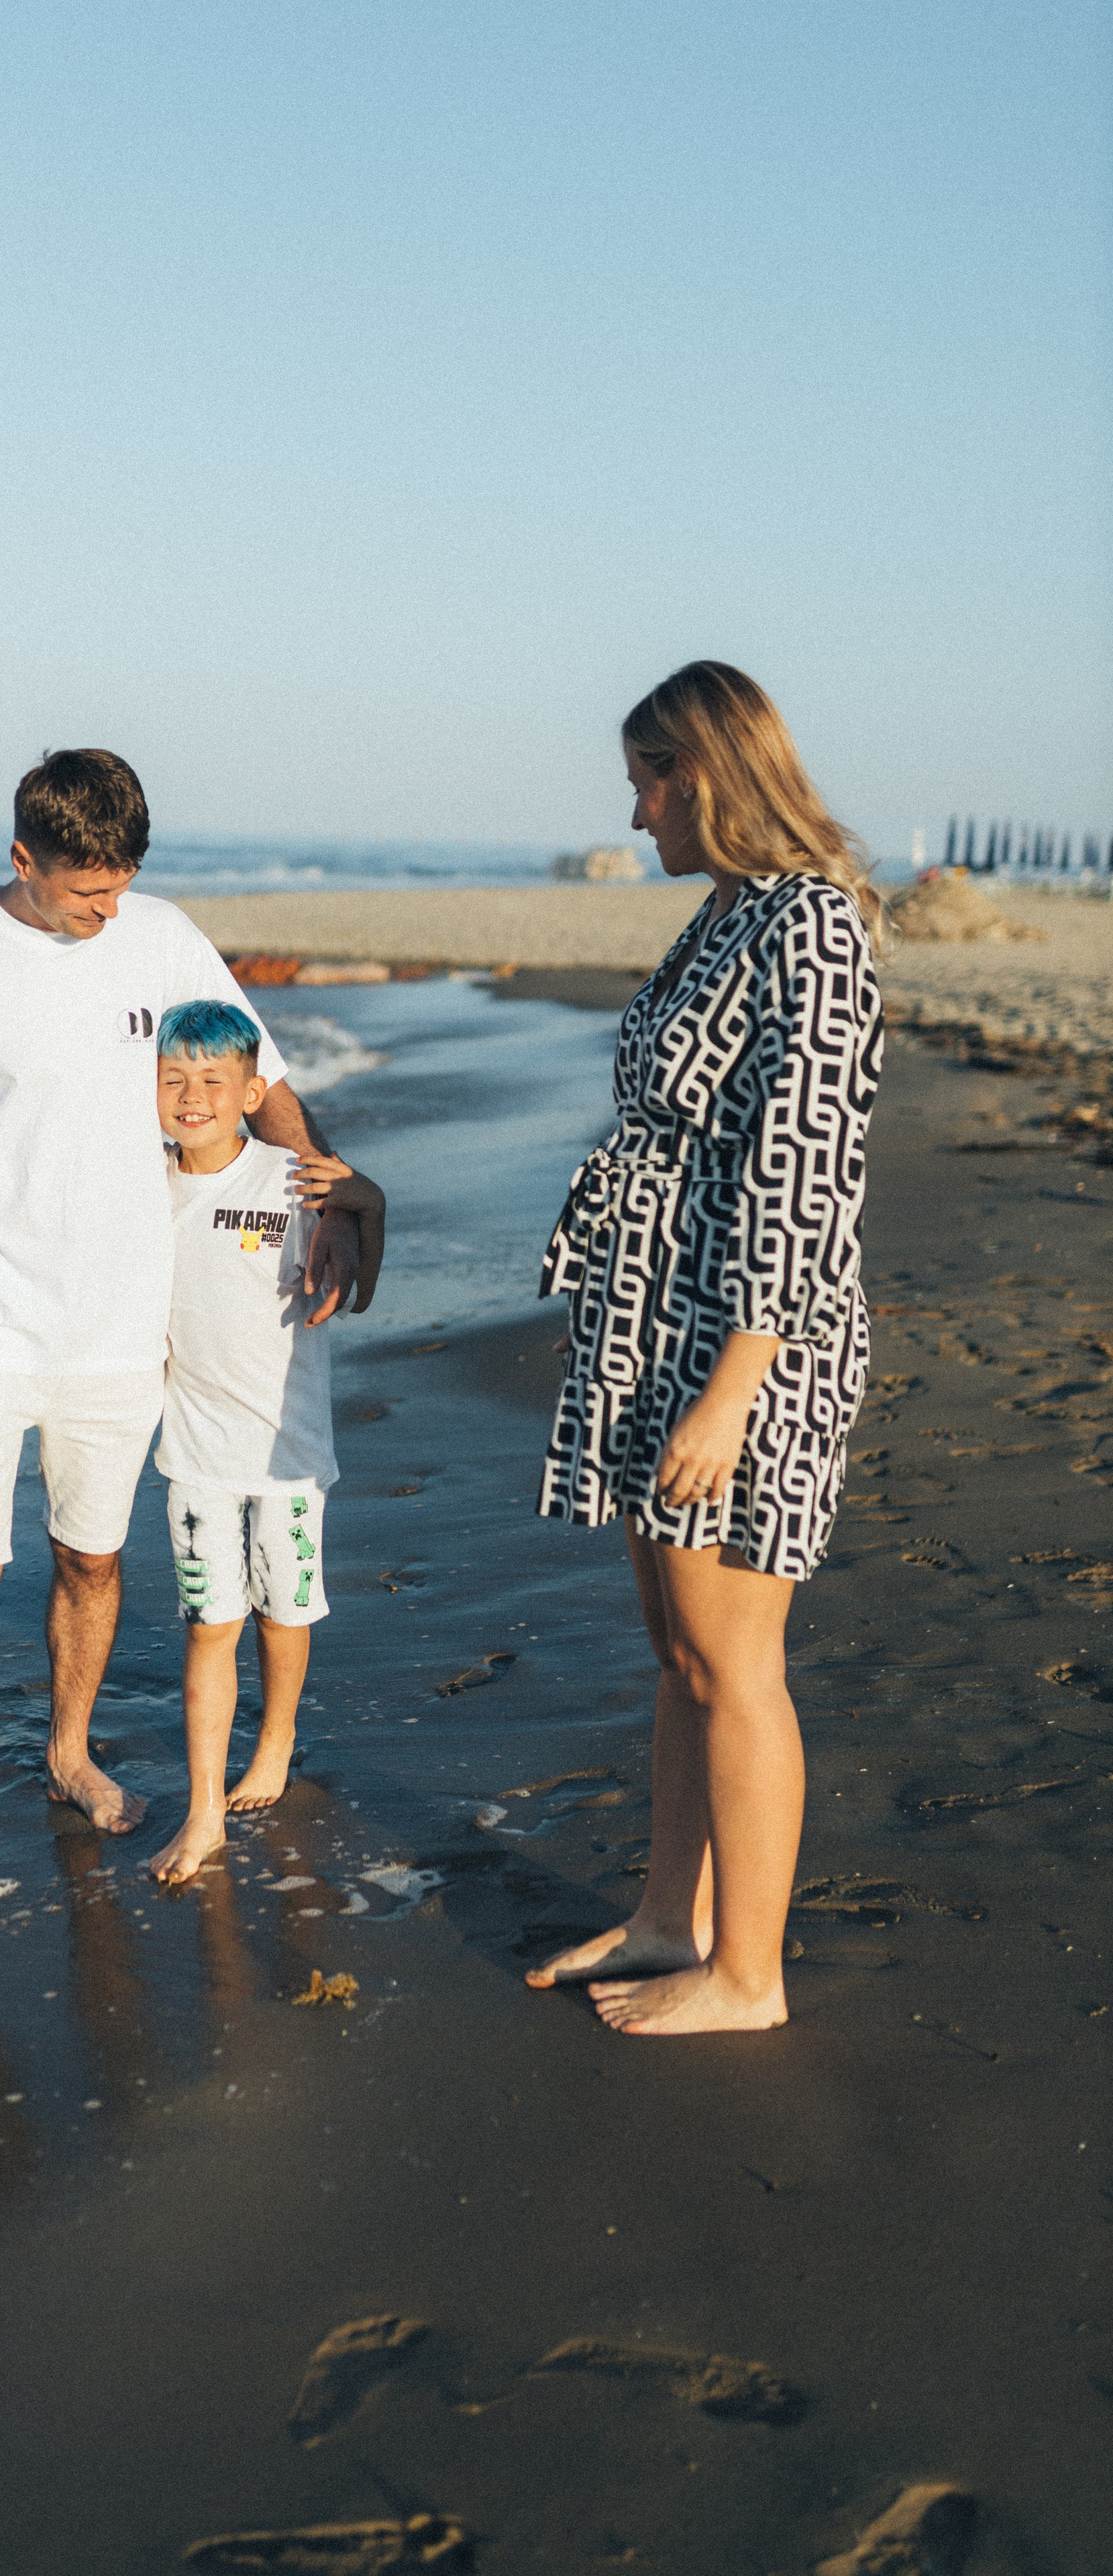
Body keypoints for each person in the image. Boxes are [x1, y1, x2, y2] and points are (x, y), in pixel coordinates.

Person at [0, 749, 369, 1964]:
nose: (107, 912)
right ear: (24, 859)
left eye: (122, 886)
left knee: (92, 1558)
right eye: (85, 892)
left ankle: (68, 1749)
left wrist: (328, 1195)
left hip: (125, 1326)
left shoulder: (164, 939)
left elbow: (260, 1084)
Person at [527, 662, 884, 2035]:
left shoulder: (812, 925)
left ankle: (748, 1974)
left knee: (735, 1661)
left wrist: (732, 1391)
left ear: (701, 774)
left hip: (740, 1342)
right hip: (655, 1322)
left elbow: (806, 1174)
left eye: (642, 782)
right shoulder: (731, 911)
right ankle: (673, 1915)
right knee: (677, 1652)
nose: (631, 815)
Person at [142, 1001, 386, 1887]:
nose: (192, 1096)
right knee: (211, 1626)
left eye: (214, 1081)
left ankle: (276, 1738)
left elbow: (368, 1211)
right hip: (195, 1455)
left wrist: (367, 1205)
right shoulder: (145, 1186)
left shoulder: (293, 1179)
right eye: (174, 1080)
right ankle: (204, 1808)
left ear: (253, 1090)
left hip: (287, 1454)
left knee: (285, 1615)